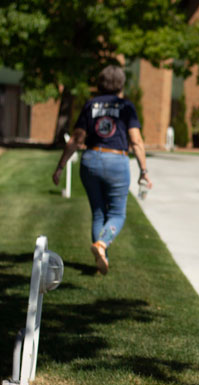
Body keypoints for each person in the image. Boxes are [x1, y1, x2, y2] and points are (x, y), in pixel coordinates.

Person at [52, 65, 152, 275]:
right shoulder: (125, 106)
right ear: (121, 84)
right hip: (116, 160)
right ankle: (102, 245)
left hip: (91, 159)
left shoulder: (90, 105)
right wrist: (144, 170)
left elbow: (77, 138)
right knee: (117, 213)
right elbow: (136, 140)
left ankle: (100, 259)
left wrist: (60, 166)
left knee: (99, 212)